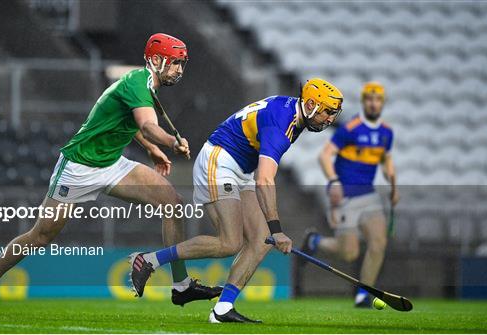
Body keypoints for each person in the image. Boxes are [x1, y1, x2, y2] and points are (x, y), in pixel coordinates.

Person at [0, 33, 222, 319]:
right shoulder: (137, 83)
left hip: (112, 164)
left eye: (181, 63)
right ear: (155, 59)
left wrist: (151, 150)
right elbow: (148, 125)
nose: (179, 69)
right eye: (175, 62)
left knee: (172, 203)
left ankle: (181, 286)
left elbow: (134, 126)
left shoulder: (146, 86)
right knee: (40, 236)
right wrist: (169, 142)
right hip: (79, 166)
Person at [130, 79, 344, 322]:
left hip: (239, 168)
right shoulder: (281, 124)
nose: (329, 119)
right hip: (219, 161)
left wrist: (272, 232)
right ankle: (149, 260)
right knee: (229, 242)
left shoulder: (292, 113)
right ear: (312, 105)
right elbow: (264, 180)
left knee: (260, 241)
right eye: (327, 112)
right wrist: (278, 230)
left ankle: (222, 310)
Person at [302, 81, 399, 308]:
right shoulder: (350, 129)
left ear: (382, 103)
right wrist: (334, 182)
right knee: (349, 253)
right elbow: (324, 156)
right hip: (346, 196)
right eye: (369, 99)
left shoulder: (386, 133)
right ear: (364, 102)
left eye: (378, 100)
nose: (373, 104)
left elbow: (385, 160)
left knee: (378, 243)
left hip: (369, 195)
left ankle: (363, 294)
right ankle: (316, 241)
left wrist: (393, 184)